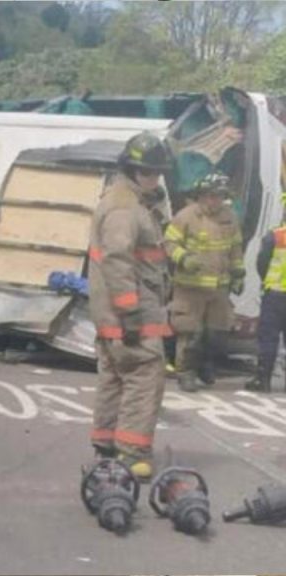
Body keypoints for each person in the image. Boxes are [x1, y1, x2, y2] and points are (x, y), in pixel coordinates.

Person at [87, 131, 173, 482]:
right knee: (144, 378)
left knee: (114, 378)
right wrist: (131, 312)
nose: (154, 179)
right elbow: (118, 261)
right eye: (148, 172)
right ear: (132, 169)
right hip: (132, 315)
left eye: (157, 173)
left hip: (113, 316)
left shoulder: (128, 200)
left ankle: (106, 446)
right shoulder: (125, 207)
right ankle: (133, 453)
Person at [164, 172, 244, 392]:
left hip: (219, 288)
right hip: (190, 287)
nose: (214, 201)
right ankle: (186, 373)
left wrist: (238, 272)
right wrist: (184, 258)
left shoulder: (229, 216)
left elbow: (235, 246)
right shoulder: (186, 216)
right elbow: (169, 243)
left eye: (219, 196)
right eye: (210, 196)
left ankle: (205, 365)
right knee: (190, 333)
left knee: (216, 333)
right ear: (201, 195)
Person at [249, 213, 286, 393]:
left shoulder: (276, 236)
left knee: (268, 338)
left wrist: (267, 280)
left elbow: (262, 262)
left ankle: (263, 380)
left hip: (275, 295)